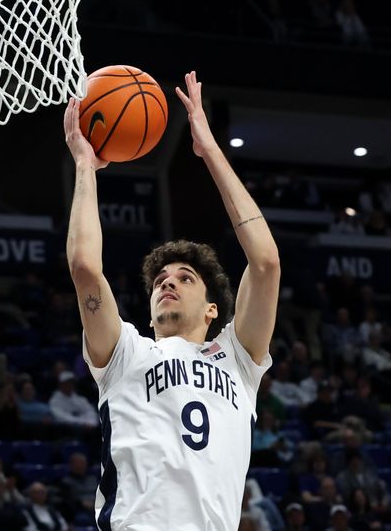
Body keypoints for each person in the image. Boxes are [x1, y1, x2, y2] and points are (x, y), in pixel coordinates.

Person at [62, 70, 279, 529]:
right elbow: (84, 268)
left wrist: (210, 151)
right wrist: (85, 164)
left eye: (184, 278)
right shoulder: (126, 352)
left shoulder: (238, 361)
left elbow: (265, 264)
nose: (167, 282)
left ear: (212, 309)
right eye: (160, 279)